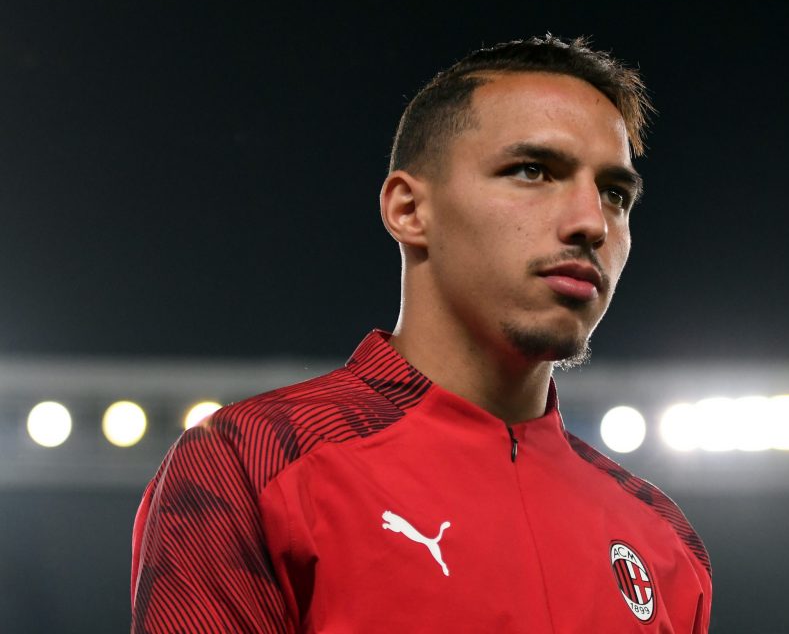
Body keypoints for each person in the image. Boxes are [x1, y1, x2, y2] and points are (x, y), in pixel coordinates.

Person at [131, 35, 712, 633]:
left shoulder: (662, 537)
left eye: (615, 194)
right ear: (409, 210)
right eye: (533, 171)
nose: (591, 222)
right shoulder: (253, 461)